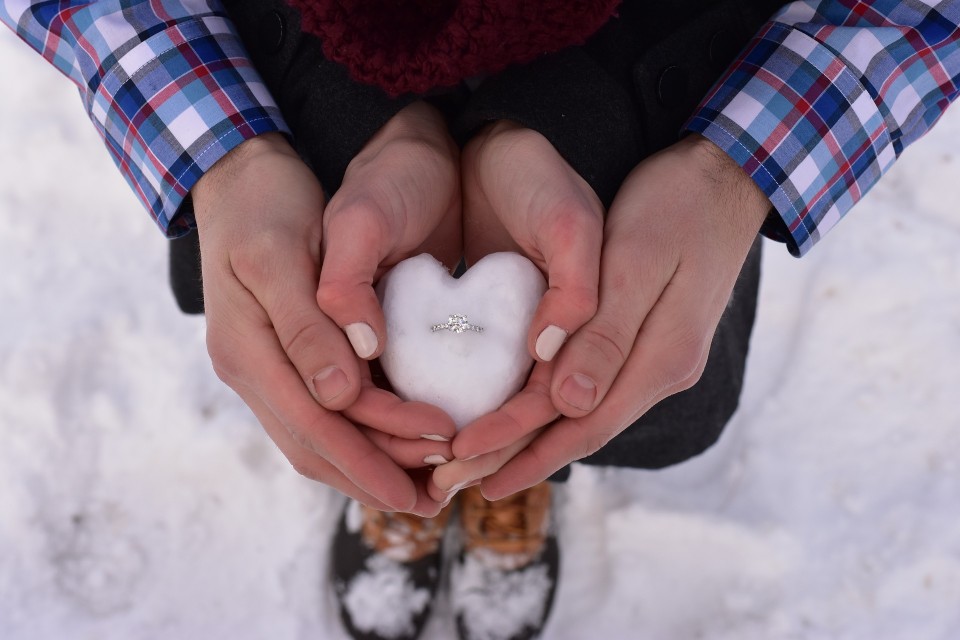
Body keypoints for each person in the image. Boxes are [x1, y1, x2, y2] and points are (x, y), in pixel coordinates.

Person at [3, 1, 958, 639]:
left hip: (652, 80)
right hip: (301, 67)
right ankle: (411, 465)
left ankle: (497, 470)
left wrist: (732, 168)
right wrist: (227, 149)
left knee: (599, 350)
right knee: (340, 336)